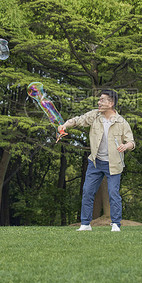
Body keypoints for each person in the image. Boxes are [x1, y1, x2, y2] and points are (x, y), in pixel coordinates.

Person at [58, 90, 135, 232]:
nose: (99, 102)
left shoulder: (121, 122)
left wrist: (125, 146)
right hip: (95, 162)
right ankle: (85, 224)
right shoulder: (94, 116)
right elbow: (78, 120)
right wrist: (65, 125)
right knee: (87, 191)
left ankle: (116, 224)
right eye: (99, 100)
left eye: (102, 100)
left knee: (113, 193)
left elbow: (131, 142)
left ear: (111, 103)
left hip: (113, 164)